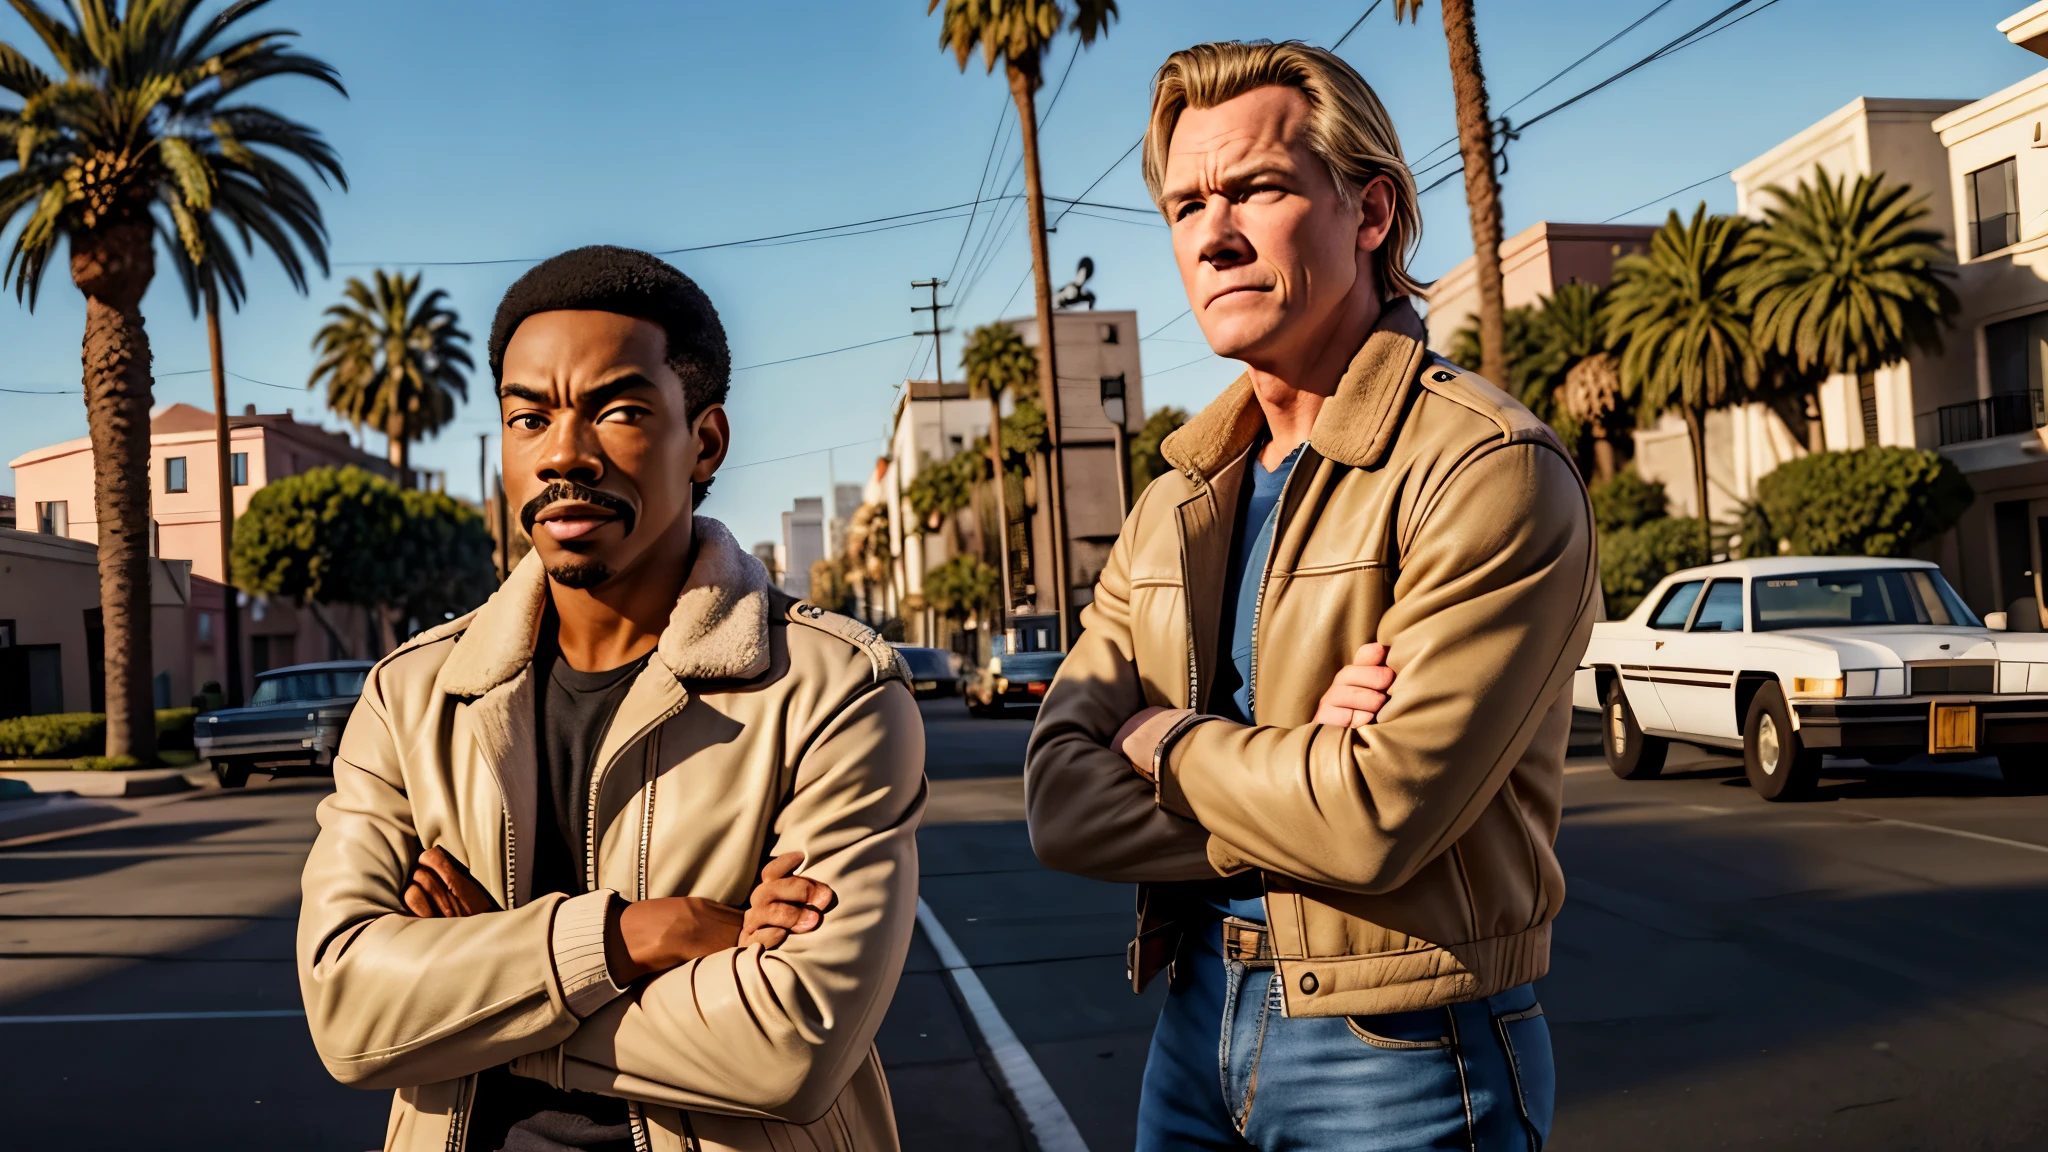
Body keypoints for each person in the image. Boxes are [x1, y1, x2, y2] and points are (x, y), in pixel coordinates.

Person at [1025, 41, 1595, 1151]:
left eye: (1257, 189)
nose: (1211, 233)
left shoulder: (1483, 469)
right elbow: (1056, 801)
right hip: (1191, 1022)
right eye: (1186, 203)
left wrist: (1161, 741)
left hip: (1403, 1045)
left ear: (1369, 211)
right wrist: (1291, 771)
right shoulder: (1173, 502)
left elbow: (1375, 819)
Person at [297, 246, 926, 1152]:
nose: (563, 454)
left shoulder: (830, 690)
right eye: (527, 418)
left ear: (703, 440)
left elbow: (793, 1043)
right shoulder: (411, 697)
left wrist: (477, 996)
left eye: (619, 411)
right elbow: (349, 1011)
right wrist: (633, 938)